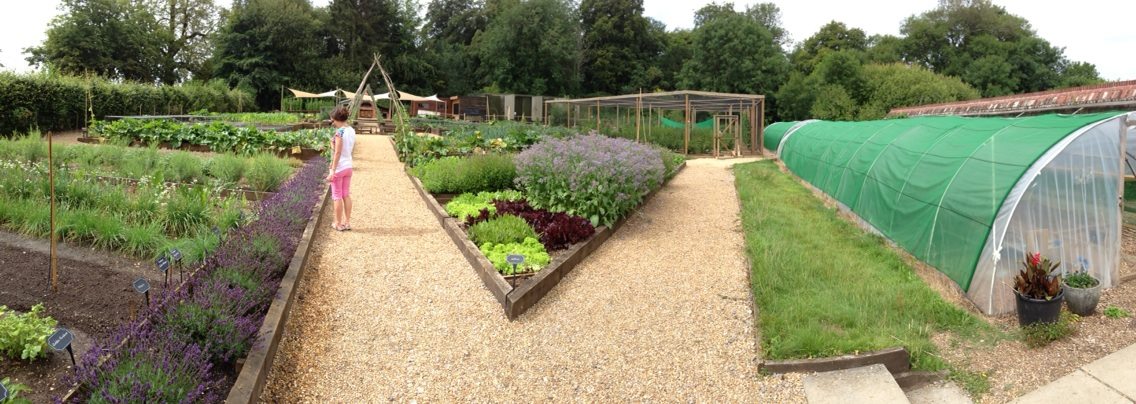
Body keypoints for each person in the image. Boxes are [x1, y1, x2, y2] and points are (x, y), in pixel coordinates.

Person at [327, 106, 356, 231]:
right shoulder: (351, 130)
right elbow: (346, 149)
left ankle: (338, 223)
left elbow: (337, 152)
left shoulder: (339, 133)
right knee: (346, 194)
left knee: (337, 195)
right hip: (348, 166)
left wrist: (332, 169)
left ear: (336, 119)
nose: (332, 123)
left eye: (332, 121)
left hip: (339, 168)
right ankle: (347, 222)